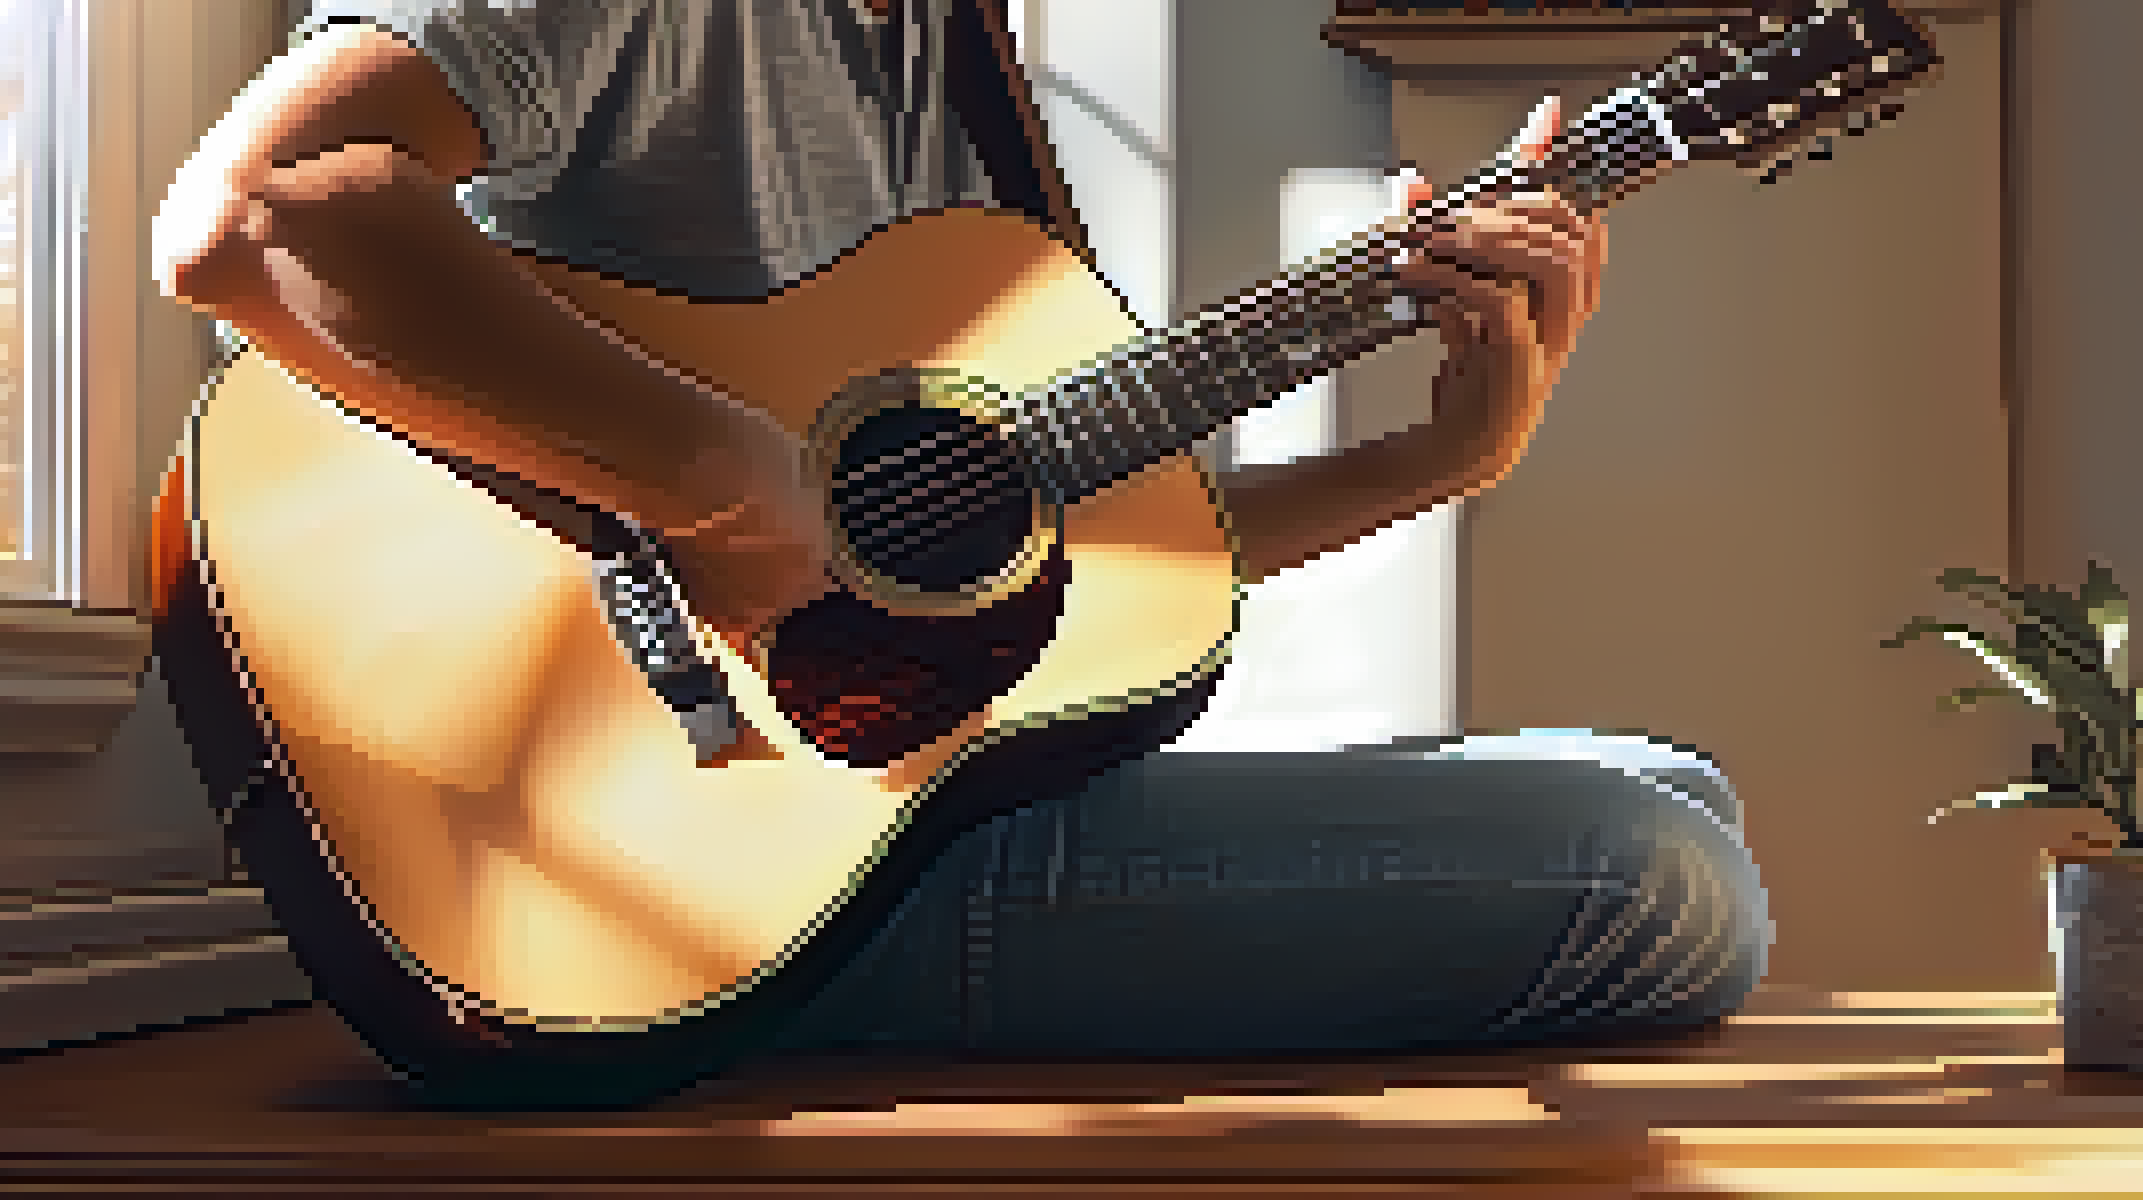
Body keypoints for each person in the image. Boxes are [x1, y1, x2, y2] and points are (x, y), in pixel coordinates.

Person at [151, 0, 1770, 1106]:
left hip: (880, 792)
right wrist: (727, 487)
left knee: (1673, 781)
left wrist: (1440, 458)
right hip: (684, 852)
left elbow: (1039, 568)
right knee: (1659, 881)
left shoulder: (943, 60)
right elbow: (261, 206)